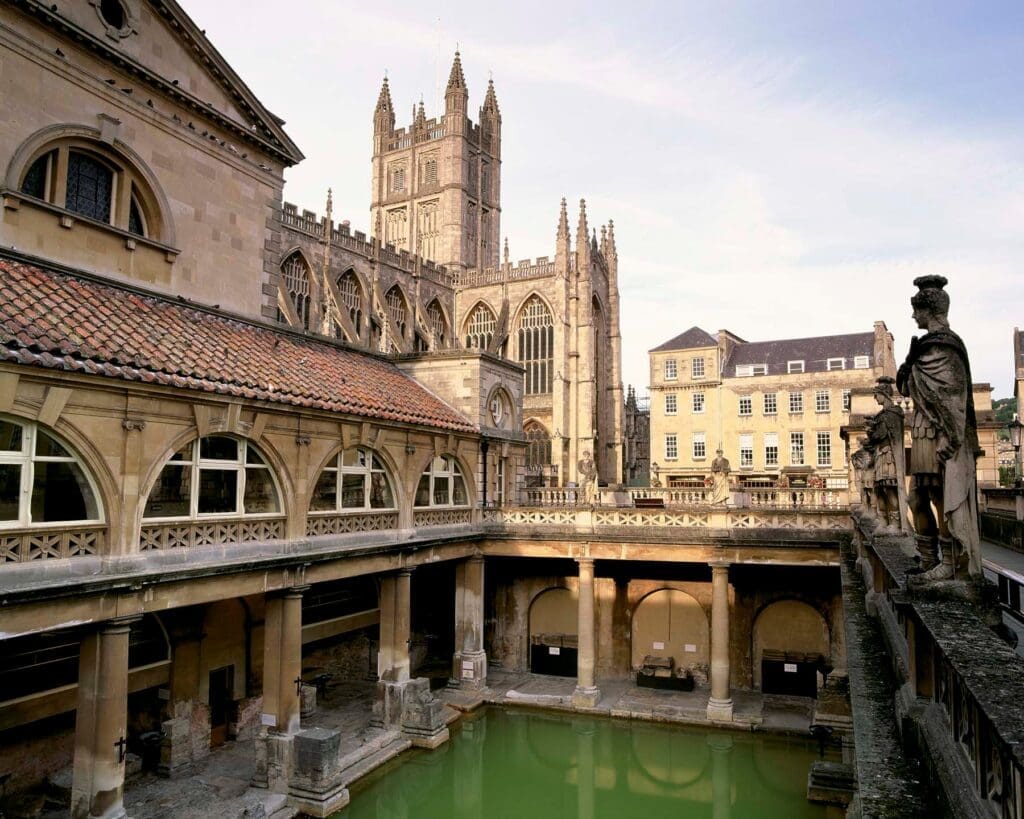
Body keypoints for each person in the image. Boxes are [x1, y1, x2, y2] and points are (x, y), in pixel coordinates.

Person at [896, 275, 980, 580]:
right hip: (920, 428)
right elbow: (907, 386)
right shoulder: (925, 347)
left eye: (917, 310)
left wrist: (951, 435)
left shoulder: (945, 346)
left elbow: (952, 395)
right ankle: (928, 558)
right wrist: (908, 365)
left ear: (929, 310)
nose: (913, 316)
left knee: (939, 496)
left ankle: (949, 564)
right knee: (916, 498)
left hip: (937, 430)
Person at [868, 377, 907, 533]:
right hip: (880, 454)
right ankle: (884, 520)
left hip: (888, 455)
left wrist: (873, 431)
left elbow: (885, 434)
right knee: (880, 489)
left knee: (890, 488)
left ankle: (895, 523)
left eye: (877, 394)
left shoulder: (892, 413)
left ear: (884, 394)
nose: (875, 398)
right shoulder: (882, 415)